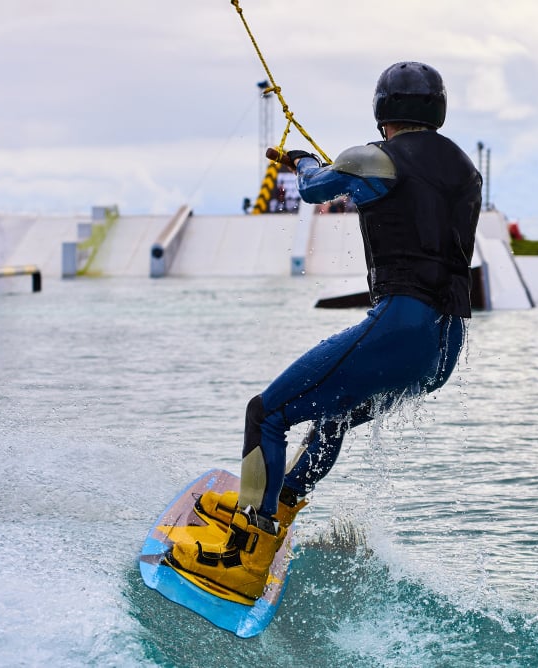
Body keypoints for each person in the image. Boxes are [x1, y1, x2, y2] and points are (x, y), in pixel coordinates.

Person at [166, 62, 483, 601]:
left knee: (266, 414)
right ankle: (275, 505)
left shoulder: (372, 158)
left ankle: (244, 554)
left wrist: (300, 159)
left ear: (383, 112)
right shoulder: (465, 169)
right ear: (439, 110)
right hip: (446, 346)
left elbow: (315, 189)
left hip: (402, 327)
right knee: (332, 413)